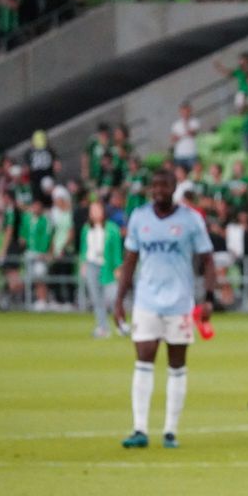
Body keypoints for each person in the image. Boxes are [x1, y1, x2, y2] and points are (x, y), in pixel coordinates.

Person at [112, 169, 216, 449]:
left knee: (176, 364)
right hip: (146, 301)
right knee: (143, 359)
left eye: (164, 185)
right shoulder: (139, 217)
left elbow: (207, 259)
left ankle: (170, 430)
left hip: (180, 303)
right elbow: (130, 259)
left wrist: (209, 297)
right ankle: (140, 429)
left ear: (173, 188)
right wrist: (120, 299)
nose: (159, 190)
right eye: (155, 185)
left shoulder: (191, 220)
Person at [80, 199, 122, 339]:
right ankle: (102, 327)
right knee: (96, 298)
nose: (95, 213)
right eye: (92, 211)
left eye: (97, 210)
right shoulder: (87, 228)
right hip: (92, 264)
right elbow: (84, 248)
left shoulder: (112, 228)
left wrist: (117, 266)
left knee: (112, 296)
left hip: (107, 266)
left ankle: (120, 323)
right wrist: (83, 263)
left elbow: (116, 249)